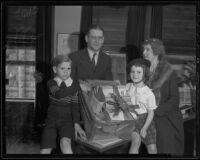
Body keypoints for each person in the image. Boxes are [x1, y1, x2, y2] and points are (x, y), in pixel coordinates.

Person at [142, 38, 184, 155]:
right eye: (143, 49)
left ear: (156, 52)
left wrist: (155, 111)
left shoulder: (169, 72)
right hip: (145, 114)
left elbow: (174, 99)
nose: (144, 53)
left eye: (147, 50)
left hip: (165, 115)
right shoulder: (141, 71)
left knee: (164, 136)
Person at [40, 55, 87, 154]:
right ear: (55, 69)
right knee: (45, 149)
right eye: (62, 68)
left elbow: (74, 106)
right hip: (51, 121)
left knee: (65, 143)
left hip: (67, 121)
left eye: (68, 68)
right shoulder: (51, 83)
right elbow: (59, 94)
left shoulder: (73, 84)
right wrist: (79, 87)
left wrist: (77, 123)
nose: (66, 71)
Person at [124, 58, 158, 154]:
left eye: (139, 72)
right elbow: (122, 97)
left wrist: (144, 128)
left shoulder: (148, 93)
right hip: (132, 119)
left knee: (152, 148)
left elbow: (151, 113)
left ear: (145, 74)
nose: (135, 74)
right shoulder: (128, 86)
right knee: (136, 142)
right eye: (133, 72)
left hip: (146, 120)